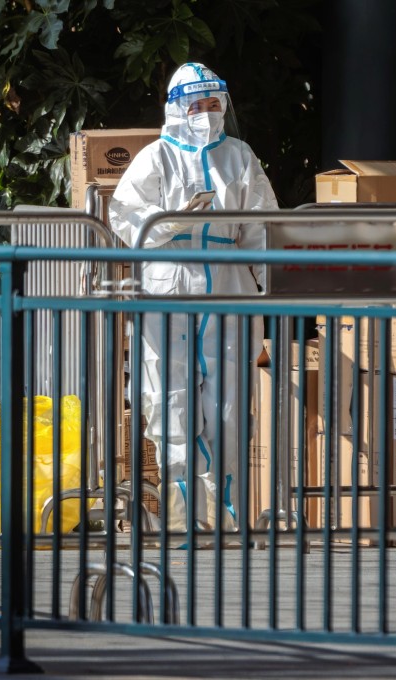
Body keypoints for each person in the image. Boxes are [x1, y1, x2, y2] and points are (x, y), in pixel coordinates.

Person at [108, 62, 278, 535]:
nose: (204, 113)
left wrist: (271, 292)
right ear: (176, 108)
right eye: (195, 105)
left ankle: (222, 512)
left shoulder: (240, 157)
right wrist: (171, 222)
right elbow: (125, 218)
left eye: (212, 103)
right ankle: (183, 516)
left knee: (227, 406)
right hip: (168, 281)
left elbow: (263, 228)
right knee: (169, 400)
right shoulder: (154, 158)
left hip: (228, 286)